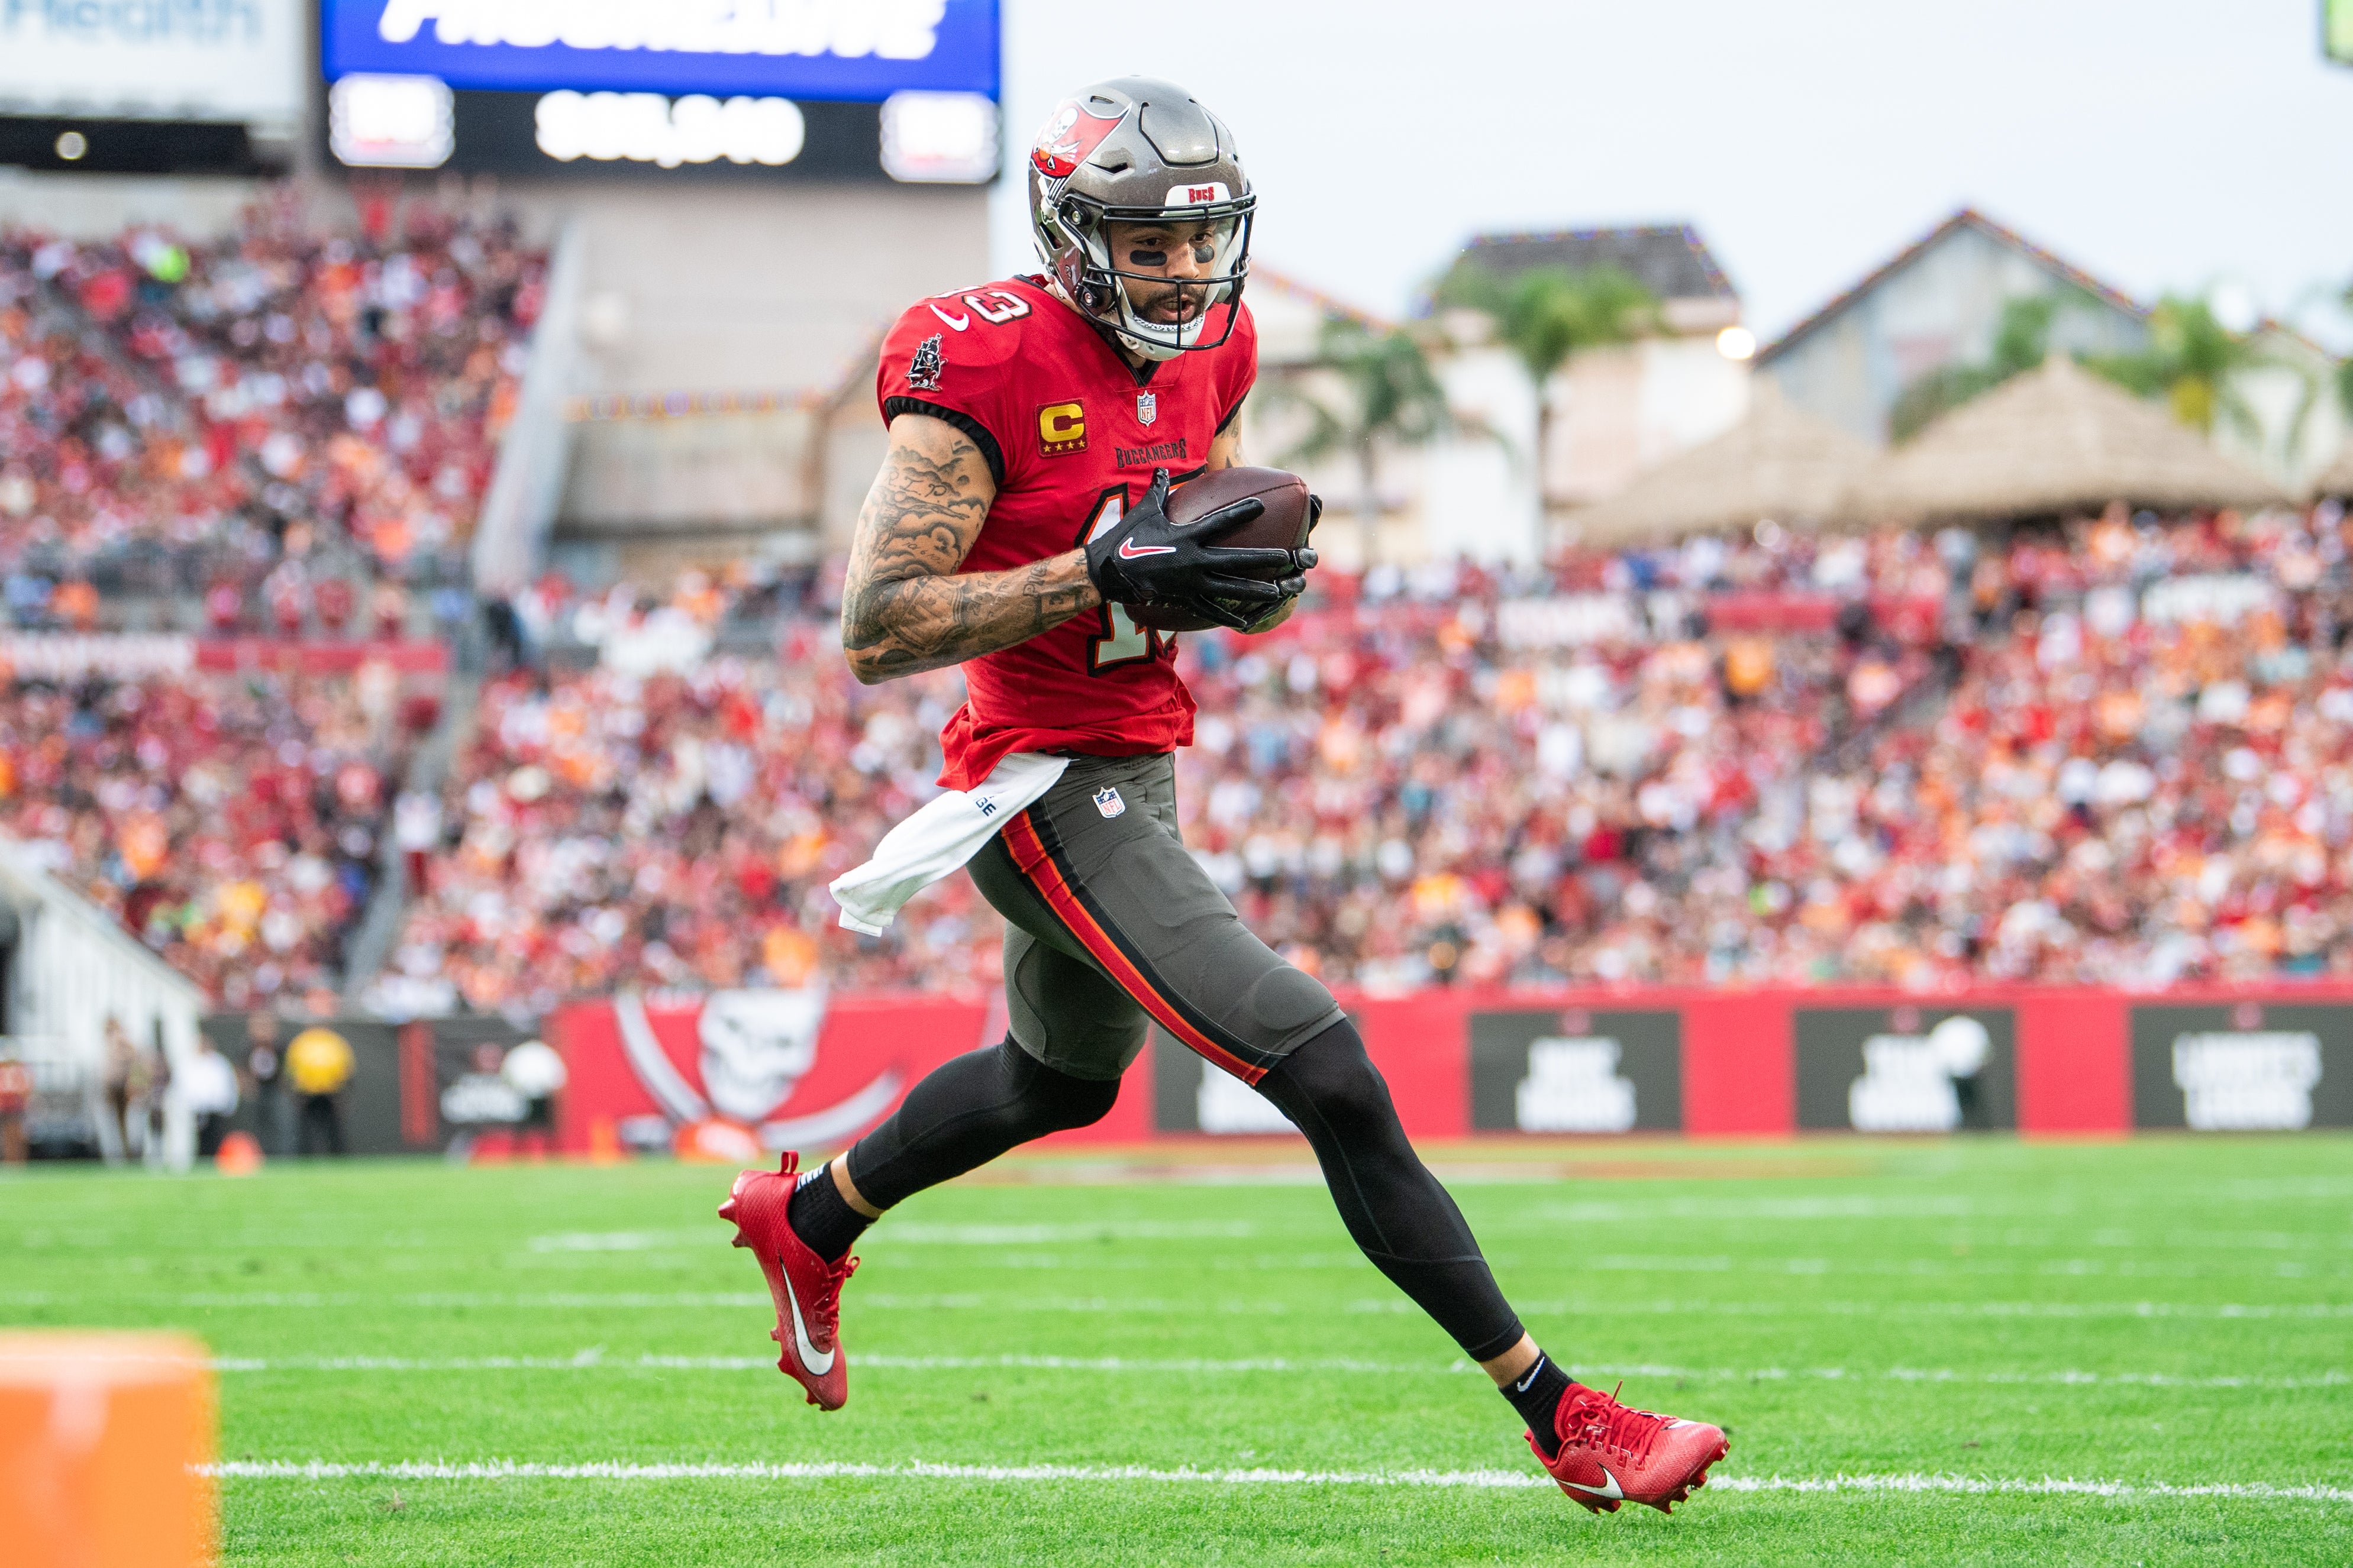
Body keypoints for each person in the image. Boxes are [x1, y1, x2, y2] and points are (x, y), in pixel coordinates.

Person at [718, 78, 1728, 1517]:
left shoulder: (1221, 346)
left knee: (1058, 1079)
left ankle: (808, 1214)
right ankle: (1563, 1410)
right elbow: (877, 625)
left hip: (1141, 761)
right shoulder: (980, 361)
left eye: (1202, 240)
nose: (1186, 271)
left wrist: (1222, 582)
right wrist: (1103, 575)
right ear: (1072, 238)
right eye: (1149, 242)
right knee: (1328, 1071)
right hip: (1041, 787)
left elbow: (1171, 532)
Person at [285, 1024, 354, 1156]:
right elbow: (291, 1069)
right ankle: (305, 1158)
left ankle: (338, 1158)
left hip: (331, 1091)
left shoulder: (334, 1042)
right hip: (307, 1092)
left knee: (334, 1130)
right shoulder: (302, 1043)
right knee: (305, 1131)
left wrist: (343, 1090)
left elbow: (347, 1068)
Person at [499, 1038, 567, 1159]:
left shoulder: (522, 1053)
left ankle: (535, 1156)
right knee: (532, 1130)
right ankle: (536, 1156)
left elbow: (507, 1075)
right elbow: (559, 1077)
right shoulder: (545, 1053)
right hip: (534, 1096)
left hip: (536, 1097)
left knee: (535, 1130)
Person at [180, 1035, 241, 1159]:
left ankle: (215, 1160)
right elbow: (184, 1086)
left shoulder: (220, 1063)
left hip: (217, 1109)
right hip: (198, 1109)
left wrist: (229, 1105)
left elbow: (229, 1085)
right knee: (199, 1139)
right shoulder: (190, 1063)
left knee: (216, 1138)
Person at [245, 1012, 287, 1156]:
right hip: (259, 1090)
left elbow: (285, 1068)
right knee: (260, 1126)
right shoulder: (250, 1047)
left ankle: (281, 1156)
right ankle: (261, 1155)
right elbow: (243, 1068)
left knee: (279, 1124)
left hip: (274, 1089)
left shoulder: (279, 1046)